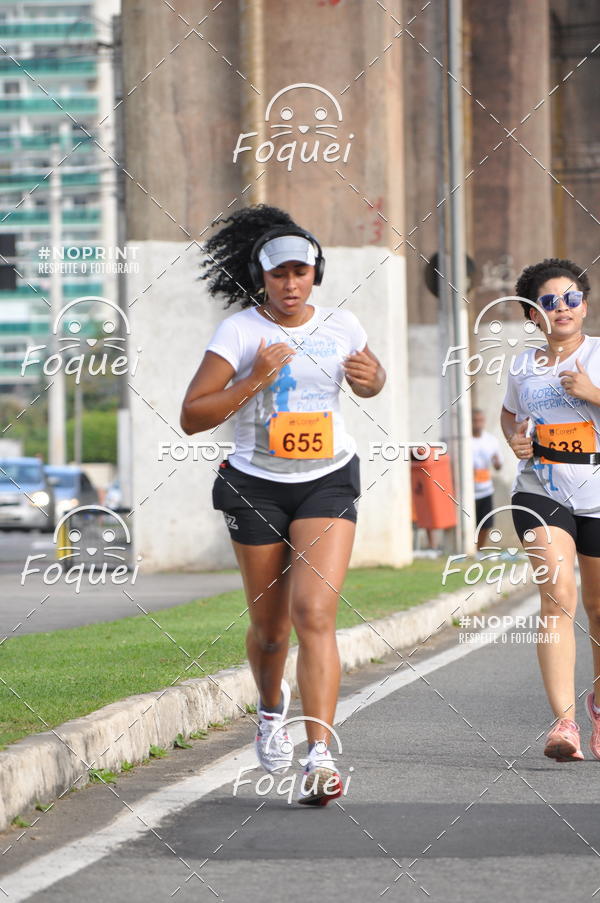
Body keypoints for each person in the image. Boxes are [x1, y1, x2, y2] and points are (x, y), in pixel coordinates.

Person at [180, 204, 386, 803]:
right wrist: (254, 380)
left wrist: (372, 379)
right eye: (279, 274)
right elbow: (192, 415)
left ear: (315, 273)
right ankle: (271, 709)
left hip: (327, 478)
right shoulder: (240, 333)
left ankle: (320, 756)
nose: (291, 284)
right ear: (261, 277)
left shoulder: (343, 325)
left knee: (314, 614)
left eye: (301, 272)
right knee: (271, 631)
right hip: (256, 486)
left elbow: (371, 381)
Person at [501, 257, 600, 762]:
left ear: (584, 306)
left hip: (597, 490)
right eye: (548, 301)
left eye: (571, 298)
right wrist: (516, 439)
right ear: (532, 314)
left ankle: (598, 707)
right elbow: (510, 416)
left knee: (599, 610)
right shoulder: (522, 366)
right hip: (540, 489)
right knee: (558, 595)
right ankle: (565, 723)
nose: (562, 307)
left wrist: (592, 393)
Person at [472, 408, 503, 553]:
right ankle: (468, 549)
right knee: (470, 522)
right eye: (475, 421)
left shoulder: (490, 440)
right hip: (468, 491)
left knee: (485, 522)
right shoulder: (465, 441)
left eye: (480, 421)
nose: (478, 424)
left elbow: (498, 465)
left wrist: (496, 462)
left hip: (485, 489)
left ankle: (478, 550)